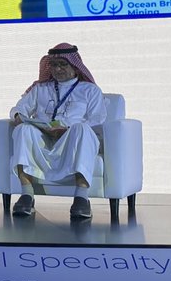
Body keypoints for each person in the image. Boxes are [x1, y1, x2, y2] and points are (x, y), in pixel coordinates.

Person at [9, 43, 105, 220]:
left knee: (82, 128)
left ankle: (81, 199)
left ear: (75, 66)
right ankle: (27, 196)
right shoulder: (40, 89)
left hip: (71, 140)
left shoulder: (90, 90)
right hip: (43, 139)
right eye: (53, 65)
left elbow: (97, 120)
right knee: (23, 129)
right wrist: (18, 117)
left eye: (62, 64)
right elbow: (18, 108)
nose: (57, 69)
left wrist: (66, 129)